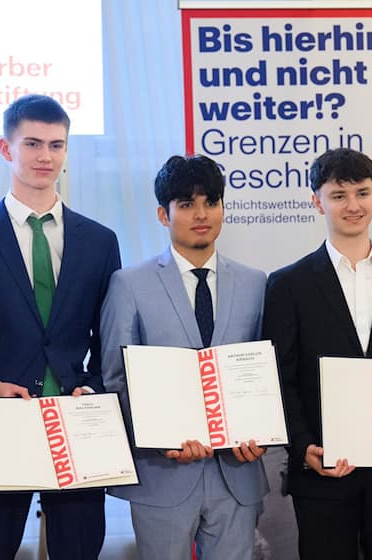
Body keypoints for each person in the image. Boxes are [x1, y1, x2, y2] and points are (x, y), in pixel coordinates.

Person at [0, 94, 121, 559]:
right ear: (5, 148)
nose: (45, 156)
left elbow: (110, 337)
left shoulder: (99, 241)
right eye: (32, 143)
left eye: (56, 145)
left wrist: (92, 388)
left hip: (78, 426)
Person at [263, 147, 372, 560]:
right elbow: (281, 378)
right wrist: (303, 446)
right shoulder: (288, 285)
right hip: (324, 469)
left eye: (362, 193)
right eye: (339, 195)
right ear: (317, 200)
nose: (353, 205)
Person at [100, 154, 269, 559]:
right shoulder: (129, 284)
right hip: (162, 475)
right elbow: (115, 380)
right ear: (163, 213)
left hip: (237, 472)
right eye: (187, 204)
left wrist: (260, 435)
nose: (201, 214)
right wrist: (159, 441)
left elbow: (266, 376)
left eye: (211, 202)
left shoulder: (256, 283)